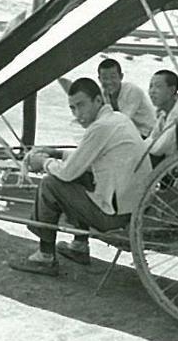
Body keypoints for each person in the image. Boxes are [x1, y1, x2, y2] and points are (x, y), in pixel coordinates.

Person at [10, 77, 152, 275]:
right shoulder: (117, 119)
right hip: (133, 207)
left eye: (81, 105)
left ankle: (45, 257)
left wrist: (43, 163)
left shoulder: (101, 127)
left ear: (97, 101)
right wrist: (56, 153)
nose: (78, 113)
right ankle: (79, 247)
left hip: (116, 216)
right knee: (82, 176)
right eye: (72, 108)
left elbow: (68, 173)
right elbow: (86, 158)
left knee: (51, 184)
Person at [97, 58, 156, 138]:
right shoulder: (101, 93)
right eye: (105, 78)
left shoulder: (132, 91)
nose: (109, 82)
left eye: (113, 77)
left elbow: (123, 121)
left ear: (121, 77)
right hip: (126, 133)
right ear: (99, 79)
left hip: (147, 133)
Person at [146, 70, 178, 161]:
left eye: (158, 86)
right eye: (151, 86)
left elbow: (158, 148)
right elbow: (153, 137)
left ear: (171, 90)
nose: (152, 91)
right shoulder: (164, 112)